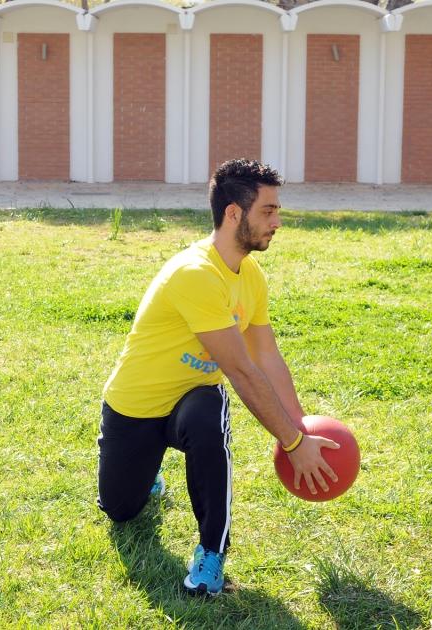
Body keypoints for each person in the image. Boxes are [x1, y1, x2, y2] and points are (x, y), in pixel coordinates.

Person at [97, 158, 339, 596]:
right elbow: (243, 371)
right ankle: (148, 471)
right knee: (120, 511)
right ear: (233, 213)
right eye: (267, 211)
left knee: (211, 410)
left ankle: (212, 552)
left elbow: (265, 354)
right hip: (135, 406)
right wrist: (294, 445)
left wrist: (300, 428)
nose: (278, 222)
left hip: (191, 400)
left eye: (276, 211)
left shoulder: (251, 276)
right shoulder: (196, 273)